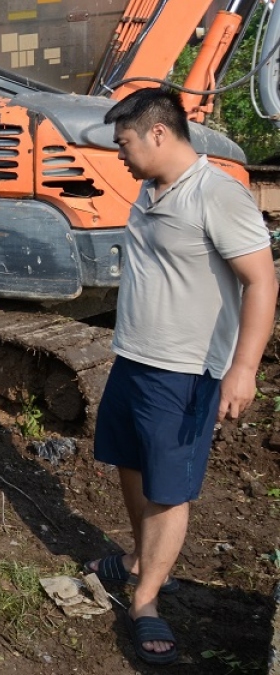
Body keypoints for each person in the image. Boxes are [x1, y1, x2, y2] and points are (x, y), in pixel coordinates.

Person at [85, 88, 276, 666]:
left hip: (186, 371)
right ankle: (142, 559)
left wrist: (243, 370)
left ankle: (146, 602)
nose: (119, 154)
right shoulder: (151, 186)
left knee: (169, 489)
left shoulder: (218, 195)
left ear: (159, 134)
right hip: (134, 358)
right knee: (129, 462)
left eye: (125, 143)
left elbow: (262, 282)